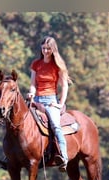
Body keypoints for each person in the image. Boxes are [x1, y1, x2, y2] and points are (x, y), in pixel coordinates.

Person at [27, 36, 72, 172]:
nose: (45, 51)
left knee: (55, 125)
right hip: (37, 100)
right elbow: (33, 84)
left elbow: (65, 86)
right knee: (20, 121)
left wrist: (60, 104)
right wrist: (31, 94)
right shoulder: (36, 64)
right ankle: (11, 156)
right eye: (43, 48)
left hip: (51, 100)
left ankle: (63, 157)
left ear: (53, 49)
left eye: (48, 48)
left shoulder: (57, 65)